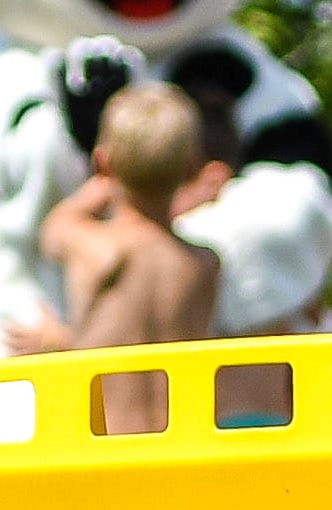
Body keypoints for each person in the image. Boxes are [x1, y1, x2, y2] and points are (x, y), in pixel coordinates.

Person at [35, 81, 224, 362]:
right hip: (187, 409)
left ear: (101, 163)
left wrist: (61, 341)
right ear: (193, 168)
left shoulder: (96, 246)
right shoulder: (205, 264)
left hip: (107, 409)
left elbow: (55, 225)